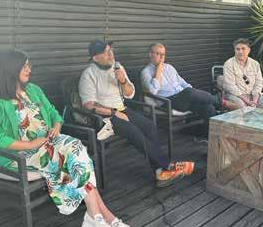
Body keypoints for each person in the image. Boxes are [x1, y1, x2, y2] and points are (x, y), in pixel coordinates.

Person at [0, 49, 133, 227]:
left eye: (29, 65)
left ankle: (95, 215)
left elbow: (54, 113)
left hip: (48, 142)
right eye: (24, 66)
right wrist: (30, 144)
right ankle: (103, 216)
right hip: (20, 152)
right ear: (11, 68)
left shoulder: (33, 90)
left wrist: (56, 127)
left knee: (76, 147)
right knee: (73, 157)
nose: (29, 69)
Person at [79, 40, 194, 187]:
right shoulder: (88, 75)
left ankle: (159, 172)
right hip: (104, 116)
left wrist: (122, 81)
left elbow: (130, 94)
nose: (111, 54)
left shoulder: (118, 68)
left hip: (121, 108)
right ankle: (167, 166)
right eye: (106, 52)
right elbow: (89, 105)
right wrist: (114, 113)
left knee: (149, 126)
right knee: (134, 131)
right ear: (96, 58)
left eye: (111, 50)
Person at [141, 43, 237, 120]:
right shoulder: (146, 72)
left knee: (207, 107)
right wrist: (158, 69)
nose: (162, 57)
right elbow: (153, 91)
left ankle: (208, 131)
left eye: (163, 54)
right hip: (168, 102)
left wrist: (196, 94)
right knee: (189, 92)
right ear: (150, 54)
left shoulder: (169, 67)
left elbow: (182, 82)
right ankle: (223, 103)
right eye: (158, 54)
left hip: (184, 98)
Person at [223, 38, 263, 109]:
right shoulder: (229, 64)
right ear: (234, 50)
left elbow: (259, 83)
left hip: (253, 95)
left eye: (243, 49)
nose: (240, 52)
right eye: (237, 49)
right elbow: (231, 86)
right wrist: (247, 101)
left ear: (249, 50)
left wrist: (254, 100)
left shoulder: (255, 64)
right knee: (243, 107)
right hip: (235, 95)